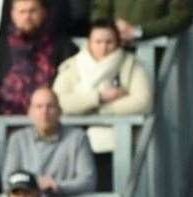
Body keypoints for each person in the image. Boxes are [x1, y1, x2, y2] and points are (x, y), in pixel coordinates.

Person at [53, 19, 153, 155]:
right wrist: (100, 97)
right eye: (98, 42)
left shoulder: (131, 64)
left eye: (109, 42)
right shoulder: (72, 65)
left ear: (117, 42)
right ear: (89, 42)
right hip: (71, 140)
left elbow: (143, 102)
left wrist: (97, 110)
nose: (103, 47)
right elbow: (58, 102)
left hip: (117, 141)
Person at [0, 0, 76, 116]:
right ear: (13, 14)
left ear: (43, 12)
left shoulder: (63, 47)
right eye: (22, 12)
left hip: (52, 122)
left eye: (32, 11)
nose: (27, 16)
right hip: (8, 123)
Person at [2, 86, 96, 197]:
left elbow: (88, 181)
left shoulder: (78, 138)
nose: (44, 112)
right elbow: (7, 182)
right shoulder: (17, 139)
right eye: (39, 107)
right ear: (30, 112)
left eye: (50, 106)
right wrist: (34, 184)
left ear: (60, 111)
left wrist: (56, 186)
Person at [92, 0, 193, 41]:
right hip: (112, 48)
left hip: (153, 50)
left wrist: (138, 31)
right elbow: (99, 8)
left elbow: (182, 17)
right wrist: (111, 28)